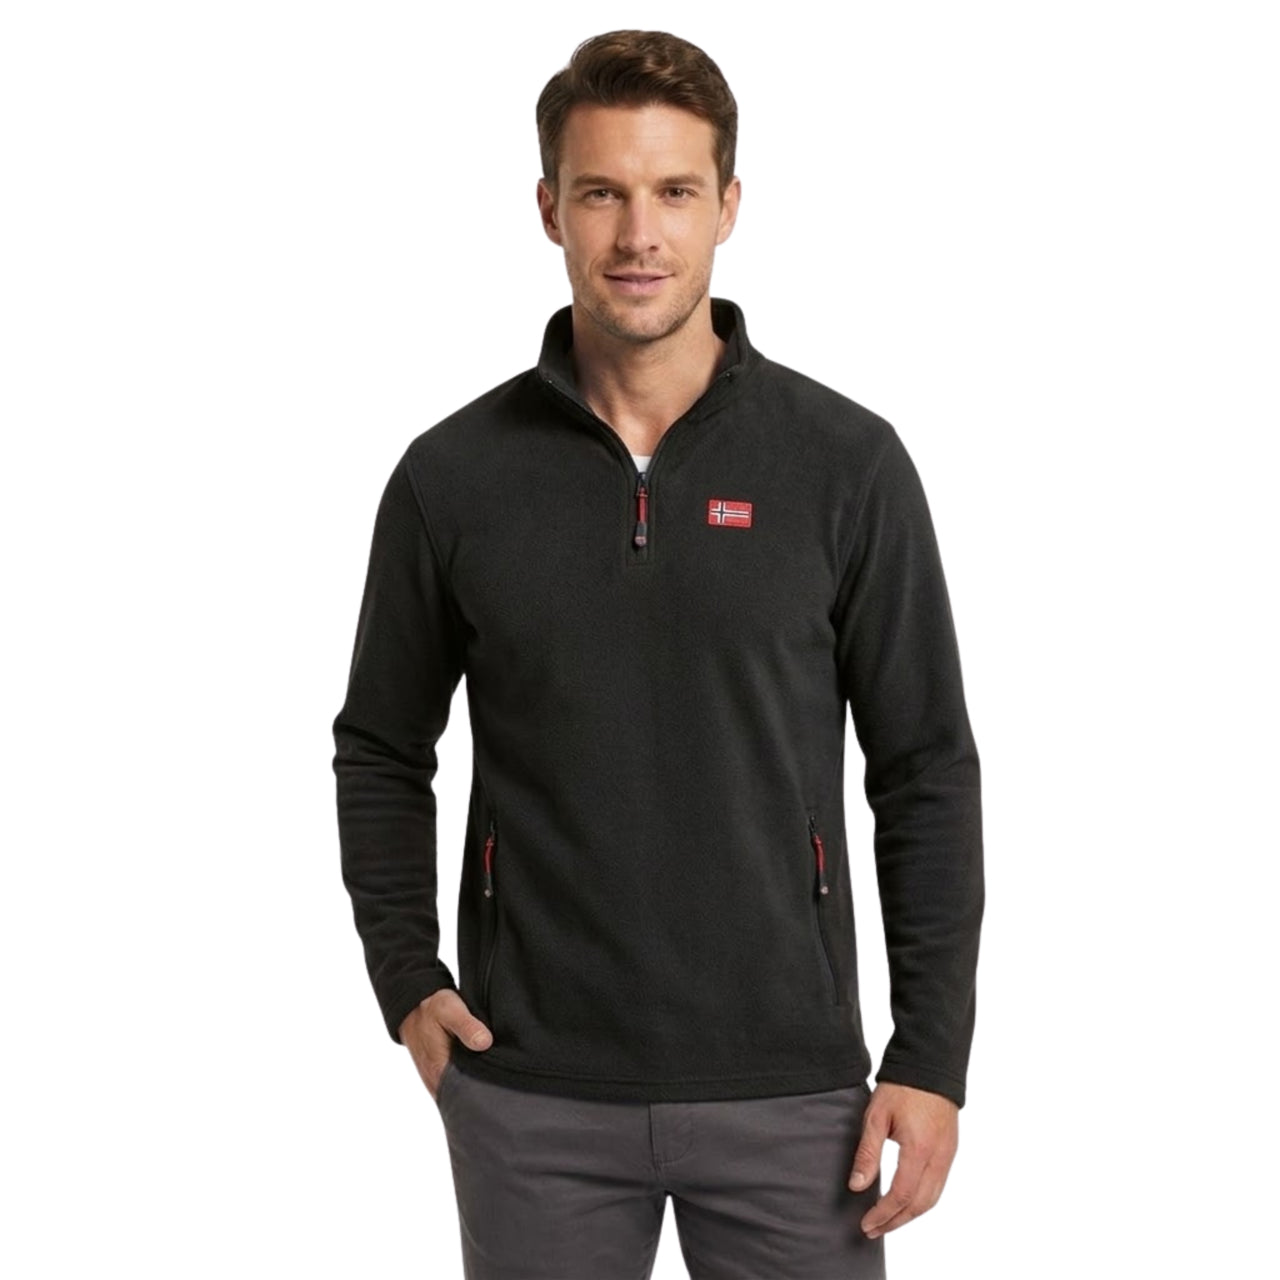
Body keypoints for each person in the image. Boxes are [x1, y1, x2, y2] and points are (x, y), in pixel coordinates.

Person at [331, 28, 984, 1279]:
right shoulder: (450, 478)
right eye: (602, 193)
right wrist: (407, 977)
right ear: (548, 209)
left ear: (728, 206)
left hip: (794, 1093)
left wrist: (930, 1055)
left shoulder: (844, 466)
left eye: (674, 191)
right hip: (530, 1089)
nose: (639, 234)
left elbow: (924, 768)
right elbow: (378, 745)